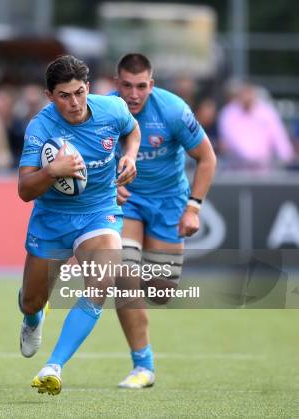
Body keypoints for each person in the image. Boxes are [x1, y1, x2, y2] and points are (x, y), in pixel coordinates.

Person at [17, 55, 140, 395]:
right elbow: (24, 190)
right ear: (49, 95)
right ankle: (32, 318)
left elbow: (133, 130)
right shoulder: (40, 128)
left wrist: (129, 155)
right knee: (32, 300)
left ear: (89, 87)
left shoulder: (112, 110)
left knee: (101, 283)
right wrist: (51, 172)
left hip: (100, 212)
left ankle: (53, 365)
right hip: (52, 219)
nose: (74, 102)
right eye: (63, 95)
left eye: (79, 92)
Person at [112, 53, 216, 388]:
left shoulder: (173, 109)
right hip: (125, 203)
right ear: (117, 84)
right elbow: (85, 157)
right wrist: (106, 190)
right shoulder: (102, 110)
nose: (134, 94)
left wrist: (194, 208)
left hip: (169, 202)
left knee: (160, 291)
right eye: (127, 86)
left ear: (151, 85)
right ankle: (143, 366)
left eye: (141, 86)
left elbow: (206, 157)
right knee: (124, 276)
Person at [218, 81, 293, 170]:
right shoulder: (228, 113)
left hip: (266, 168)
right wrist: (250, 158)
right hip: (236, 168)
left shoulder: (267, 112)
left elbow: (279, 137)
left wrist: (287, 158)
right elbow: (231, 139)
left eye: (249, 92)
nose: (247, 96)